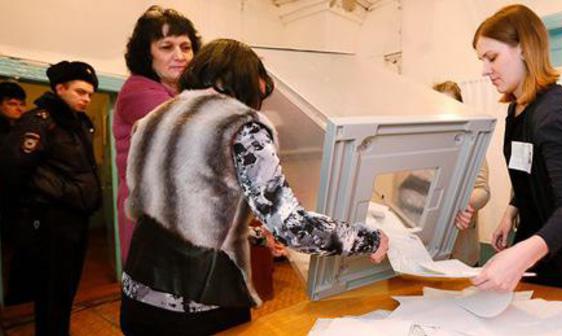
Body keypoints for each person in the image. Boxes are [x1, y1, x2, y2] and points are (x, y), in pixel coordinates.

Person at [119, 38, 389, 335]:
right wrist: (368, 239)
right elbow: (293, 227)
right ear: (246, 82)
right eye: (259, 94)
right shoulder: (241, 127)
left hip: (138, 296)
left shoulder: (154, 120)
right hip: (196, 306)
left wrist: (258, 235)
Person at [471, 4, 562, 294]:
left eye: (492, 57)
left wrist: (521, 255)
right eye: (482, 60)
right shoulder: (516, 108)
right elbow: (529, 168)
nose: (485, 70)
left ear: (525, 48)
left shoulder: (554, 114)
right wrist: (512, 210)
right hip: (539, 233)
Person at [0, 61, 101, 335]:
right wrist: (56, 192)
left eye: (90, 94)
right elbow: (13, 168)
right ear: (60, 88)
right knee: (51, 291)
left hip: (77, 220)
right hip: (52, 221)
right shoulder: (40, 121)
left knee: (65, 289)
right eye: (80, 92)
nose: (86, 99)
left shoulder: (78, 125)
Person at [113, 5, 201, 263]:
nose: (180, 55)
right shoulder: (138, 91)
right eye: (166, 47)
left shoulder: (183, 94)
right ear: (146, 54)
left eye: (185, 47)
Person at [432, 81, 490, 266]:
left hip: (462, 250)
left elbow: (483, 191)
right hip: (429, 249)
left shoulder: (472, 145)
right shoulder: (427, 144)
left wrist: (458, 202)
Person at [0, 81, 29, 304]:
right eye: (12, 103)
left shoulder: (23, 132)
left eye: (22, 104)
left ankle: (17, 296)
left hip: (21, 203)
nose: (19, 108)